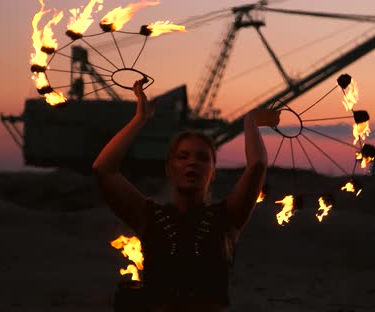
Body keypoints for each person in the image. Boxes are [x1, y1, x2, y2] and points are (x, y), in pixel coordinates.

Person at [92, 78, 280, 311]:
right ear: (169, 169)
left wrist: (250, 121)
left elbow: (258, 165)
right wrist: (139, 119)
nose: (192, 163)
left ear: (213, 171)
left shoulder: (228, 218)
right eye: (183, 157)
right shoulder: (149, 216)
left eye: (203, 158)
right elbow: (103, 169)